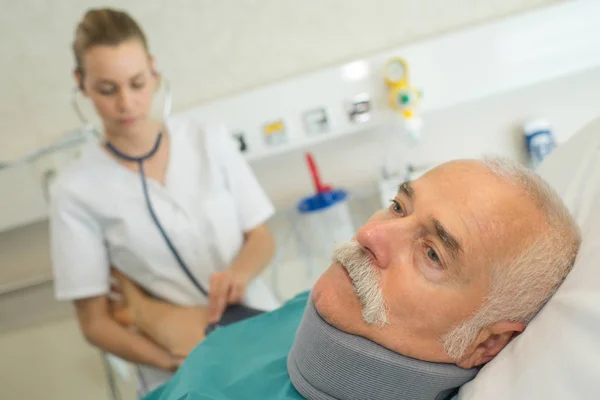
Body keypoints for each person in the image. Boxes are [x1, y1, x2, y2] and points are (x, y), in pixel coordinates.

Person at [116, 157, 580, 400]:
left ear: (485, 345)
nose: (370, 233)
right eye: (399, 206)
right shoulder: (345, 307)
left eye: (432, 253)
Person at [49, 8, 279, 396]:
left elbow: (261, 236)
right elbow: (94, 323)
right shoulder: (74, 192)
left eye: (137, 83)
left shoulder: (208, 139)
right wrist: (170, 360)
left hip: (260, 329)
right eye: (107, 89)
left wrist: (237, 274)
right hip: (178, 363)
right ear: (81, 84)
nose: (126, 103)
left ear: (154, 71)